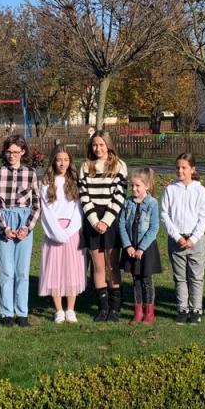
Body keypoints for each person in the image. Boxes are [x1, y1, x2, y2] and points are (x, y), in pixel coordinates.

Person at [0, 134, 41, 328]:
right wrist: (4, 228)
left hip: (24, 221)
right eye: (9, 152)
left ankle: (22, 312)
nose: (12, 156)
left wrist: (27, 228)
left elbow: (37, 204)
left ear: (23, 152)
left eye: (16, 152)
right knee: (6, 271)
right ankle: (7, 313)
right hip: (4, 220)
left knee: (22, 271)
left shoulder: (31, 173)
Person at [78, 131, 128, 321]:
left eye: (101, 144)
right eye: (94, 145)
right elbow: (84, 195)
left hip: (111, 219)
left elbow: (119, 195)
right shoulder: (85, 166)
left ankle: (115, 308)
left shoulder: (119, 165)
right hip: (92, 219)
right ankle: (103, 308)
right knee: (98, 266)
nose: (98, 148)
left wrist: (106, 221)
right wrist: (94, 221)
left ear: (108, 145)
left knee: (112, 265)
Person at [38, 145, 86, 323]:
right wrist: (56, 232)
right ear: (53, 161)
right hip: (53, 232)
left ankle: (71, 309)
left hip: (72, 232)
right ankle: (59, 310)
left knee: (72, 269)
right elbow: (46, 211)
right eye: (59, 160)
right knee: (55, 270)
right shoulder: (46, 183)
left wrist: (70, 229)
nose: (62, 163)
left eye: (66, 160)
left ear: (70, 161)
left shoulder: (74, 182)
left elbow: (78, 209)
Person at [162, 152, 205, 323]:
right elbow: (165, 215)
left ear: (192, 169)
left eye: (184, 167)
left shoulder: (200, 191)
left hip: (195, 241)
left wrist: (193, 238)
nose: (180, 171)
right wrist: (177, 236)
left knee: (196, 277)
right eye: (178, 168)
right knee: (180, 277)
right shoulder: (170, 190)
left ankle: (196, 309)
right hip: (177, 241)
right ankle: (182, 309)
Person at [117, 167, 162, 325]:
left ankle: (149, 312)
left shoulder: (152, 203)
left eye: (138, 185)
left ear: (147, 186)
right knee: (136, 280)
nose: (134, 188)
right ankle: (138, 312)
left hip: (146, 248)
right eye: (132, 185)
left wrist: (141, 248)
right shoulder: (127, 203)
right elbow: (121, 224)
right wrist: (128, 245)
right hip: (131, 247)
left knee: (146, 280)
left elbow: (154, 228)